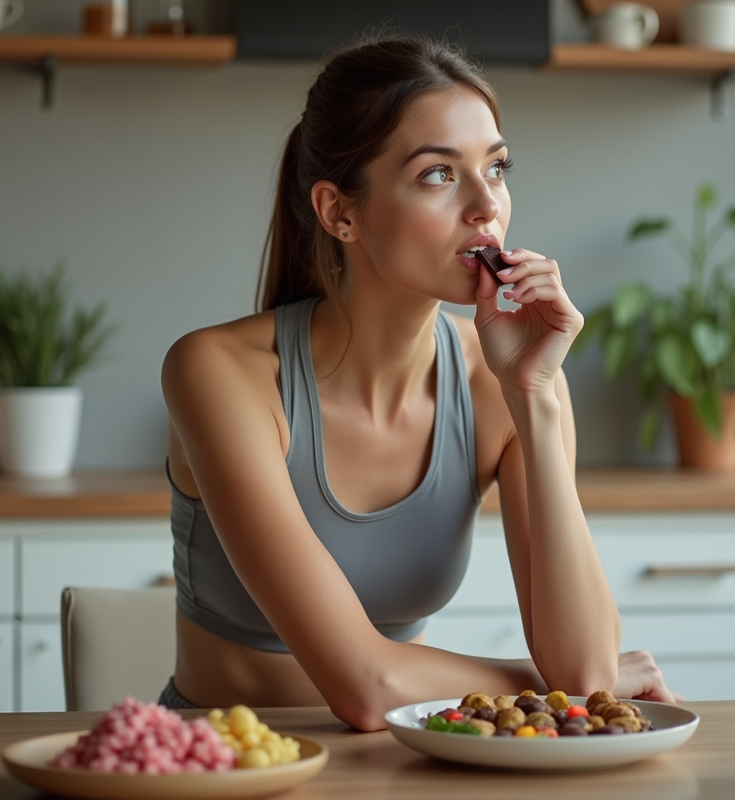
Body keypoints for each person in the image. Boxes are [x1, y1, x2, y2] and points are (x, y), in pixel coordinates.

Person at [159, 35, 676, 730]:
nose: (486, 206)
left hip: (404, 760)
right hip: (222, 759)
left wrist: (534, 397)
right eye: (438, 174)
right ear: (340, 213)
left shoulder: (506, 382)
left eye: (496, 168)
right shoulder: (218, 373)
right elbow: (367, 687)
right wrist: (544, 688)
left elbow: (584, 671)